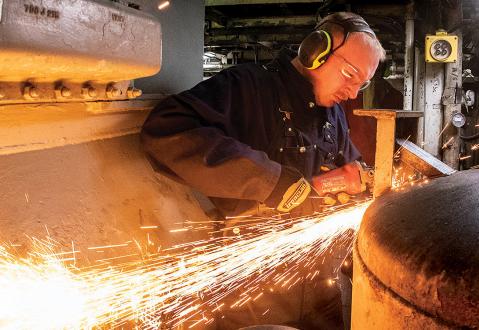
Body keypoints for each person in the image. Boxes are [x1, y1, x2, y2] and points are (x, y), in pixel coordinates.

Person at [141, 11, 385, 329]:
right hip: (253, 293)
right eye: (350, 75)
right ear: (316, 50)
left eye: (362, 84)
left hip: (320, 289)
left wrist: (359, 178)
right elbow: (166, 129)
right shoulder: (248, 87)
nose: (353, 93)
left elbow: (347, 169)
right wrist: (272, 182)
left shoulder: (333, 114)